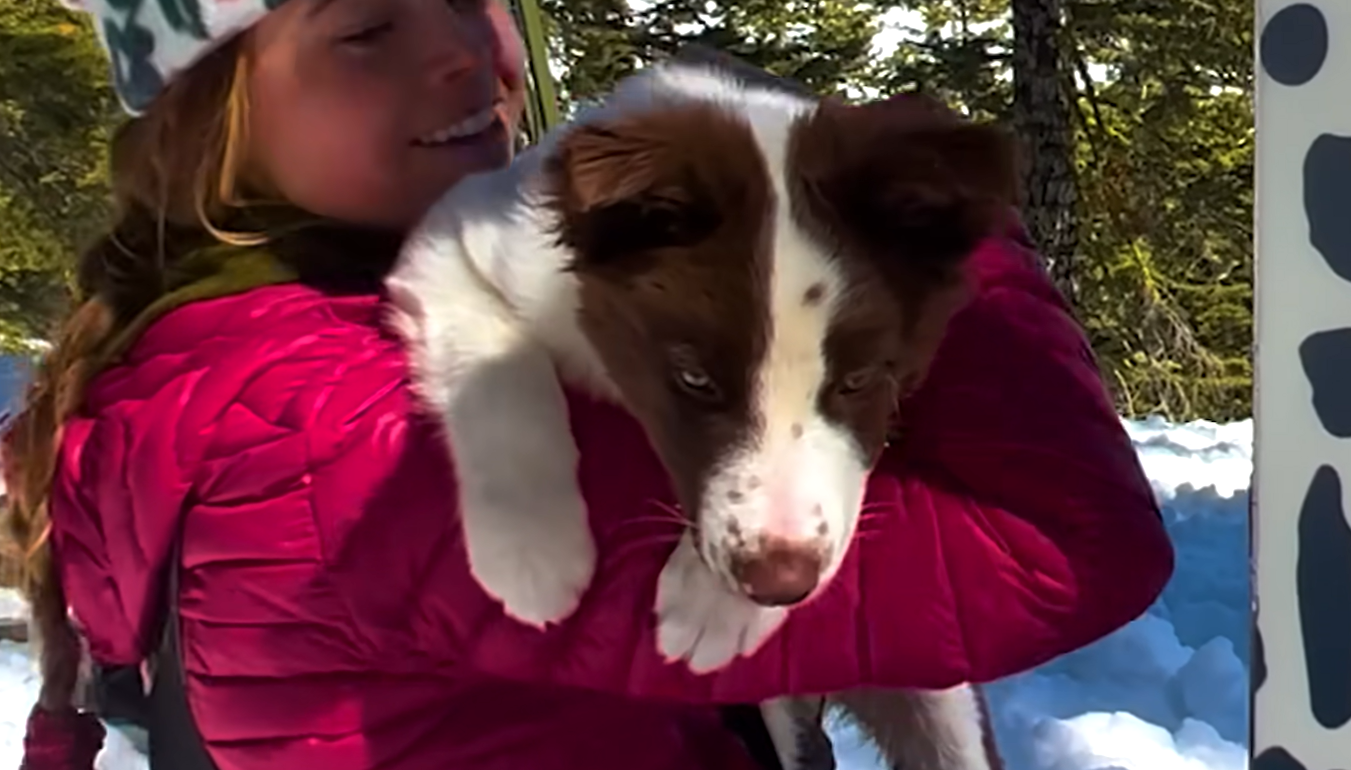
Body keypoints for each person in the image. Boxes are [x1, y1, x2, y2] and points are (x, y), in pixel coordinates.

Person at [1, 1, 1174, 769]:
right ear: (211, 120)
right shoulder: (357, 437)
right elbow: (1057, 547)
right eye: (365, 26)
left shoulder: (203, 354)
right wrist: (892, 214)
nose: (468, 49)